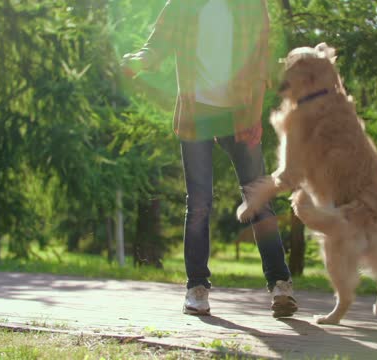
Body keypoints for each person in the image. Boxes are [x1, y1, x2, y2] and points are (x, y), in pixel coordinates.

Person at [121, 0, 297, 318]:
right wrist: (140, 60)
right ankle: (197, 287)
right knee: (199, 202)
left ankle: (280, 283)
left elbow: (260, 64)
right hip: (196, 114)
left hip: (239, 113)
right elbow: (158, 44)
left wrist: (254, 114)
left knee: (258, 199)